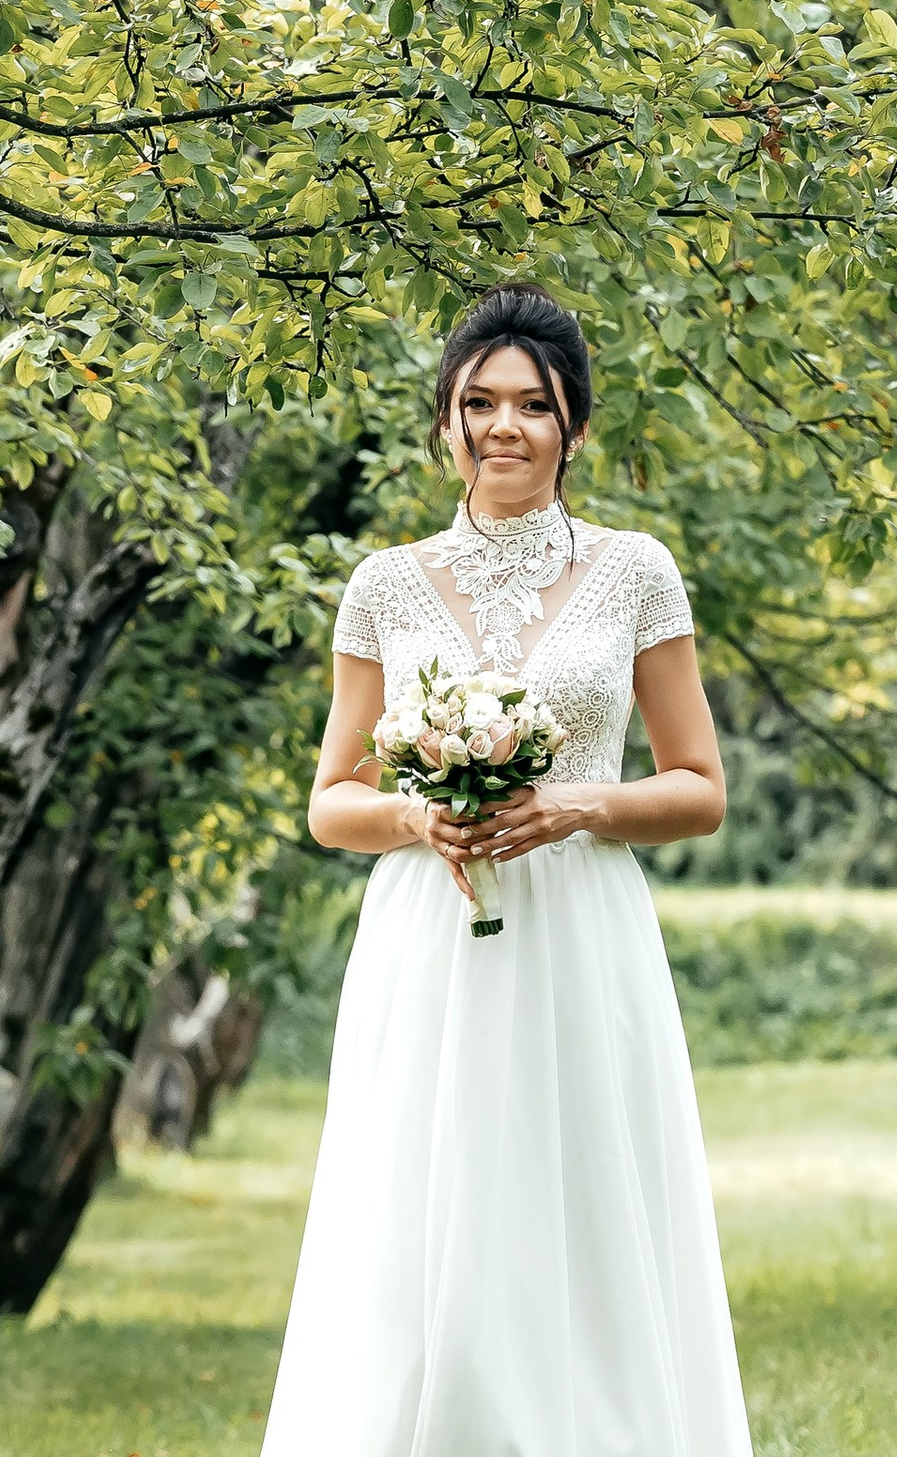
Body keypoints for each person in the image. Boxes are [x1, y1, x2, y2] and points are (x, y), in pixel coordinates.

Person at [260, 283, 751, 1457]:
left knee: (576, 1198)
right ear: (445, 420)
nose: (503, 427)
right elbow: (331, 802)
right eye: (477, 401)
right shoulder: (383, 583)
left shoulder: (637, 571)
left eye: (532, 404)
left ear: (575, 425)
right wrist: (419, 819)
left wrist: (579, 801)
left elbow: (700, 787)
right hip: (428, 935)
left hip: (582, 932)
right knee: (420, 1214)